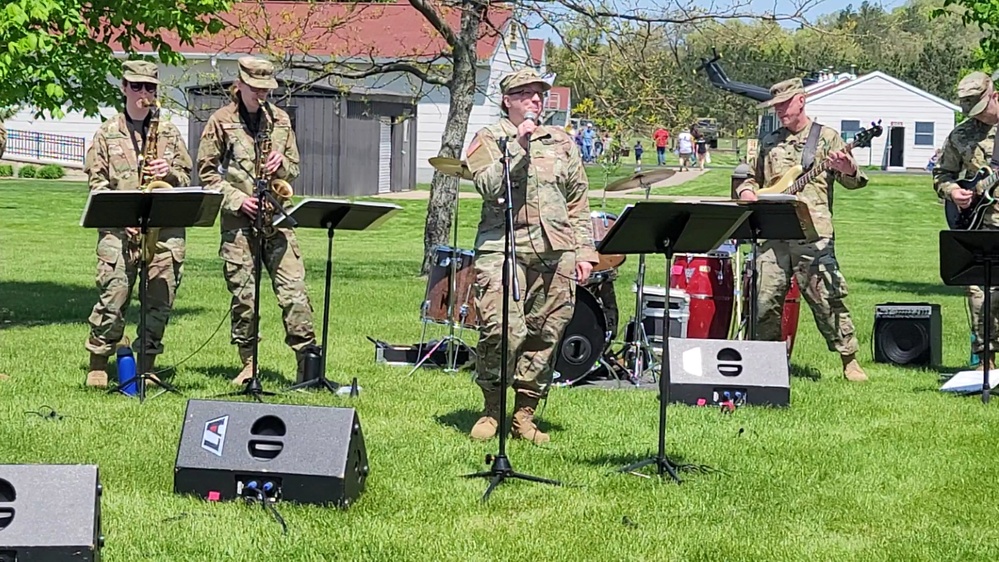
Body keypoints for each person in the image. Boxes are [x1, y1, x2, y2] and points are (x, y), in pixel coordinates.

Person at [464, 68, 599, 443]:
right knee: (502, 331)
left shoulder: (561, 141)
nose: (535, 100)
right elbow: (489, 187)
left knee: (546, 333)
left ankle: (524, 414)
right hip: (503, 248)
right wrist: (518, 150)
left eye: (539, 94)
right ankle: (492, 409)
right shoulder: (489, 138)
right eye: (525, 93)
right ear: (507, 100)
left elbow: (578, 200)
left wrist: (584, 251)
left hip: (556, 251)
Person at [735, 77, 868, 382]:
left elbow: (854, 181)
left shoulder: (827, 138)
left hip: (813, 234)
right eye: (776, 106)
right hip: (773, 233)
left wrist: (848, 169)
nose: (780, 111)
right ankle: (763, 361)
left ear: (801, 100)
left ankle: (849, 359)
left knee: (827, 297)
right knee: (763, 299)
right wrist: (746, 191)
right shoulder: (769, 142)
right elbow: (749, 177)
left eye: (784, 105)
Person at [197, 56, 318, 385]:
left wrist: (281, 165)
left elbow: (294, 167)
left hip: (276, 219)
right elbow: (207, 174)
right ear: (240, 85)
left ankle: (307, 366)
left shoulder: (280, 121)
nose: (262, 94)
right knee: (244, 298)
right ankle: (249, 363)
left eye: (267, 89)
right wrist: (238, 199)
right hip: (239, 222)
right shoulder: (220, 121)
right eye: (256, 89)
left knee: (295, 293)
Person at [84, 60, 192, 387]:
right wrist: (122, 216)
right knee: (113, 293)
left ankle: (147, 362)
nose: (143, 93)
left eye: (150, 88)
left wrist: (169, 173)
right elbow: (97, 183)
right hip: (120, 230)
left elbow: (186, 177)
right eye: (136, 86)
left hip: (162, 229)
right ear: (124, 88)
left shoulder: (170, 132)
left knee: (160, 297)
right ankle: (98, 362)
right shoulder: (106, 131)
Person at [933, 71, 999, 369]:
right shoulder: (961, 135)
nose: (978, 116)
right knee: (979, 293)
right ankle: (986, 362)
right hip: (979, 228)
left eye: (981, 107)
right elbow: (941, 174)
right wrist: (953, 192)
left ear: (994, 95)